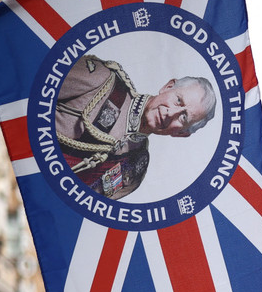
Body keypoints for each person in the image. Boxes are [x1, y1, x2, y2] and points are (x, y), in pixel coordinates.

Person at [55, 53, 218, 199]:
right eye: (178, 100)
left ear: (181, 133)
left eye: (183, 117)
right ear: (168, 87)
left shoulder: (134, 167)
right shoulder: (101, 80)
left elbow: (80, 209)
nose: (171, 113)